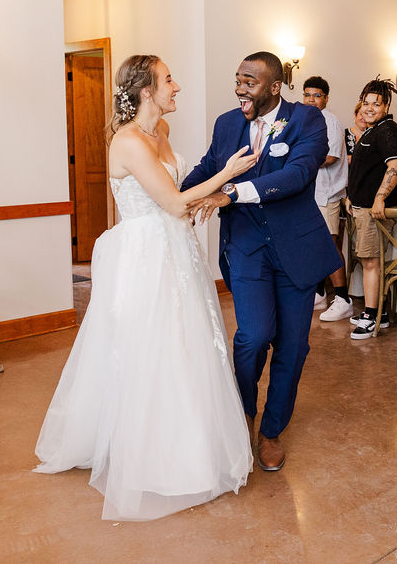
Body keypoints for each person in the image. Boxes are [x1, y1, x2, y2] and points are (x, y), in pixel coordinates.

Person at [35, 55, 258, 520]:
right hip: (145, 252)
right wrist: (227, 176)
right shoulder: (129, 141)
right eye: (169, 80)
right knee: (148, 346)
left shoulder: (162, 134)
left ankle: (188, 442)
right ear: (145, 91)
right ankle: (144, 450)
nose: (177, 86)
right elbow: (175, 204)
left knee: (185, 343)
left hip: (176, 250)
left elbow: (177, 187)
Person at [181, 51, 340, 471]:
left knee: (293, 346)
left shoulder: (308, 120)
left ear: (274, 86)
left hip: (296, 250)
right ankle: (243, 417)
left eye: (249, 81)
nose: (239, 88)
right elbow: (208, 168)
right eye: (237, 79)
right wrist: (168, 193)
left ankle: (271, 431)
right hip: (247, 248)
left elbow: (297, 175)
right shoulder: (227, 123)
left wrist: (232, 194)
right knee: (252, 336)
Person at [346, 78, 397, 339]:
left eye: (376, 103)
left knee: (371, 262)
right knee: (368, 261)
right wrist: (352, 196)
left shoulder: (388, 130)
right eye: (366, 103)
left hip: (374, 211)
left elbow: (396, 167)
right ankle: (378, 313)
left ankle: (371, 317)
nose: (369, 108)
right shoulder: (372, 130)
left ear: (387, 105)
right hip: (362, 207)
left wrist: (379, 199)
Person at [303, 76, 353, 322]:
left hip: (328, 194)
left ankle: (343, 298)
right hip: (310, 194)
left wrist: (299, 163)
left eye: (317, 95)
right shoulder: (305, 121)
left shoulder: (330, 122)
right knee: (313, 246)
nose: (311, 100)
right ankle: (319, 293)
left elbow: (331, 157)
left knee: (329, 245)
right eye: (307, 95)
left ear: (326, 98)